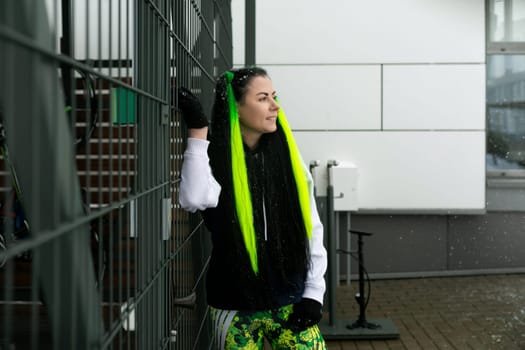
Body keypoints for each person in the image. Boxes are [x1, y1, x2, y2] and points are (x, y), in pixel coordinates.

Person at [178, 67, 327, 349]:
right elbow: (193, 198)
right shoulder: (214, 159)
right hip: (233, 306)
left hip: (291, 302)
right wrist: (198, 131)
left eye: (274, 96)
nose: (275, 106)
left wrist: (313, 293)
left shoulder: (289, 161)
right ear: (235, 106)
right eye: (263, 98)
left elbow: (312, 229)